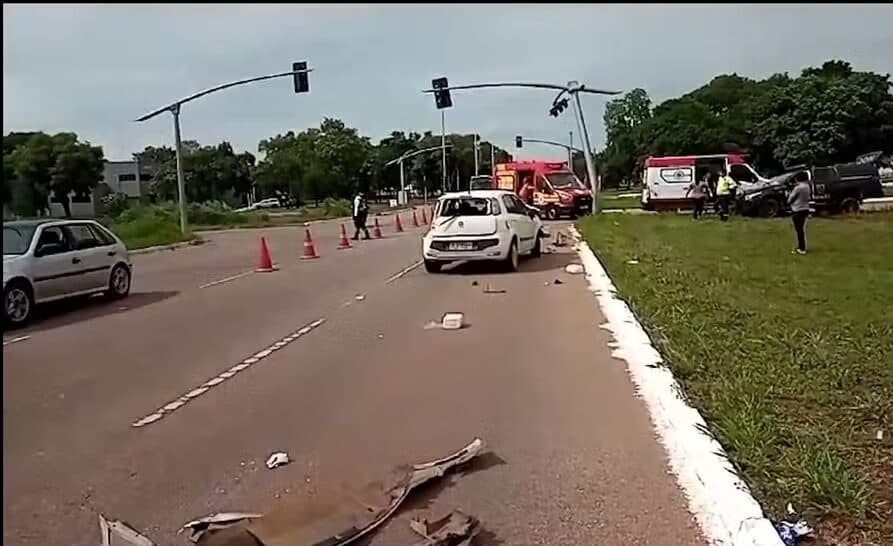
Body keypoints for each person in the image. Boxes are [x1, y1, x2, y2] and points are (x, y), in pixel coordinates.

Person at [788, 171, 812, 254]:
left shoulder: (798, 188)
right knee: (801, 229)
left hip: (797, 209)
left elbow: (790, 199)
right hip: (805, 209)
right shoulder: (807, 186)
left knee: (799, 230)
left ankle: (802, 248)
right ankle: (801, 246)